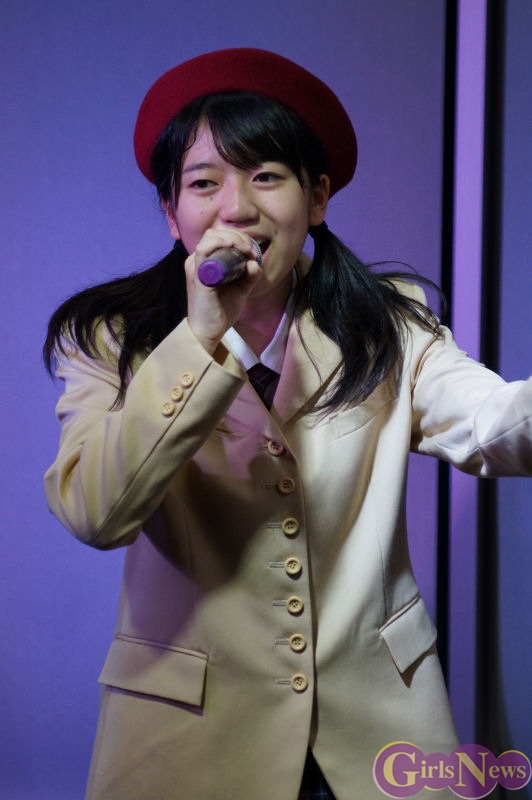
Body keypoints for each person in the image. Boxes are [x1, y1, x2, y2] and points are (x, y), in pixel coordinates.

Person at [43, 48, 532, 800]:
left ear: (318, 197)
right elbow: (94, 512)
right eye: (204, 183)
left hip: (379, 739)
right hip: (188, 744)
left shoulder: (389, 323)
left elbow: (495, 424)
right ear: (172, 213)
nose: (237, 208)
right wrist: (200, 340)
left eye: (266, 176)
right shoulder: (110, 339)